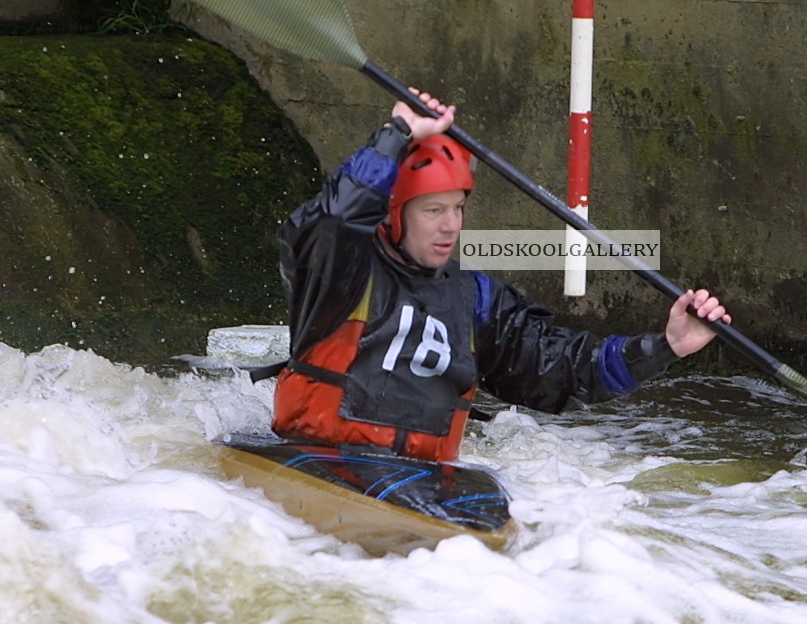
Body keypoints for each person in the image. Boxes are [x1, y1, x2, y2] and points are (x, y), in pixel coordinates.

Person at [253, 91, 730, 463]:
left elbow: (561, 368)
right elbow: (331, 220)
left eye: (458, 209)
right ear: (392, 213)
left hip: (421, 476)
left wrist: (666, 346)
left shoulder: (477, 299)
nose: (451, 226)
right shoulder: (342, 275)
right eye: (433, 210)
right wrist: (396, 132)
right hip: (318, 457)